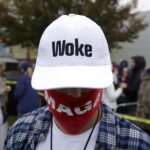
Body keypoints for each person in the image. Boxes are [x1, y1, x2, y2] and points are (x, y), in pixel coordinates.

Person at [4, 14, 150, 150]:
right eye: (61, 83)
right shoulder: (19, 133)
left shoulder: (137, 143)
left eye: (86, 82)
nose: (75, 93)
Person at [0, 60, 11, 150]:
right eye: (3, 67)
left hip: (3, 105)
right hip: (0, 106)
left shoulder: (2, 77)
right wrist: (4, 89)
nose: (4, 69)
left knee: (3, 127)